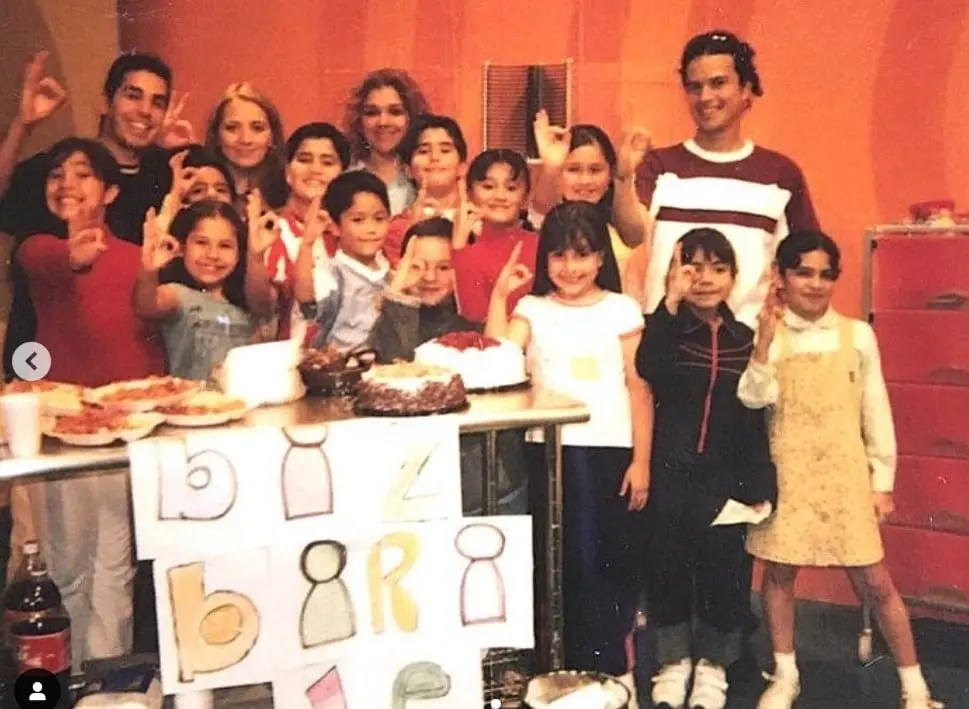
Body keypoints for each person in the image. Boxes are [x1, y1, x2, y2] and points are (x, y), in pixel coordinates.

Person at [738, 231, 942, 709]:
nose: (814, 283)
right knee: (780, 573)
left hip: (845, 476)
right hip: (788, 474)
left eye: (825, 273)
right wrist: (763, 346)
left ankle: (915, 686)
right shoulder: (768, 332)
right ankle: (786, 675)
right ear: (781, 277)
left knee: (875, 581)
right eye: (802, 272)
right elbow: (752, 398)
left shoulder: (858, 335)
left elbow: (876, 411)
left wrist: (882, 483)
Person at [15, 138, 166, 667]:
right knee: (68, 566)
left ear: (110, 190)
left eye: (83, 174)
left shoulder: (136, 259)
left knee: (116, 564)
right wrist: (74, 250)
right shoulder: (36, 252)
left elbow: (150, 337)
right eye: (58, 174)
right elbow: (60, 259)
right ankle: (71, 676)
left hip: (125, 432)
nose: (68, 184)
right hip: (64, 432)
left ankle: (110, 681)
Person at [485, 201, 651, 680]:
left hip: (611, 451)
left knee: (608, 559)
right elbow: (497, 362)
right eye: (558, 256)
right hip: (548, 451)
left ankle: (614, 671)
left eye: (582, 255)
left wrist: (641, 461)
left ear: (601, 257)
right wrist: (500, 299)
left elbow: (639, 391)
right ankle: (560, 671)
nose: (570, 268)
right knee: (558, 563)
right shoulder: (532, 308)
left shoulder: (621, 309)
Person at [637, 228, 776, 709]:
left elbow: (755, 414)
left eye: (717, 268)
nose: (704, 278)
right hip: (673, 471)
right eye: (692, 266)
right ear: (675, 273)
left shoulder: (744, 338)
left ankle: (714, 666)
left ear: (734, 278)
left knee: (725, 572)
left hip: (726, 475)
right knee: (669, 567)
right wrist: (668, 303)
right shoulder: (665, 330)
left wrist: (761, 481)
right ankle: (674, 663)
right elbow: (650, 367)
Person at [620, 30, 819, 328]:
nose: (705, 97)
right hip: (666, 351)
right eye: (694, 87)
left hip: (747, 353)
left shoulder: (780, 174)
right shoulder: (660, 165)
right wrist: (624, 175)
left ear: (746, 89)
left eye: (718, 83)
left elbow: (807, 265)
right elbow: (631, 235)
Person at [1, 52, 177, 379]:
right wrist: (22, 126)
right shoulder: (58, 171)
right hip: (39, 363)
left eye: (157, 102)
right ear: (105, 103)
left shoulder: (163, 177)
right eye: (132, 95)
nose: (144, 110)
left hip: (130, 379)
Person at [369, 217, 528, 515]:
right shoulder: (394, 315)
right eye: (417, 265)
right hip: (414, 488)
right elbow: (401, 373)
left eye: (444, 267)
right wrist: (399, 301)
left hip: (492, 483)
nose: (430, 276)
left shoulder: (480, 313)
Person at [135, 200, 271, 381]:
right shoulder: (178, 295)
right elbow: (146, 305)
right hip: (194, 405)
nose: (212, 255)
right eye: (201, 243)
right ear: (182, 247)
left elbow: (263, 304)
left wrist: (256, 257)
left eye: (225, 246)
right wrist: (149, 270)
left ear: (240, 253)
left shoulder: (249, 301)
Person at [265, 123, 351, 340]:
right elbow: (265, 308)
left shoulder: (352, 231)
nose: (315, 169)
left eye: (327, 162)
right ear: (287, 172)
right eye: (304, 159)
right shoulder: (271, 229)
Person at [530, 116, 636, 289]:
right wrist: (552, 166)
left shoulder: (619, 221)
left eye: (595, 170)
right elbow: (540, 210)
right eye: (573, 170)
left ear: (610, 173)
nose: (585, 180)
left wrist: (624, 176)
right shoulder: (550, 219)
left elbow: (635, 237)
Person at [294, 170, 392, 352]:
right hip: (341, 370)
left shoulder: (391, 273)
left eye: (379, 219)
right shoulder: (332, 273)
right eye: (358, 220)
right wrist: (307, 244)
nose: (371, 229)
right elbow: (307, 302)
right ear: (335, 226)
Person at [451, 148, 537, 323]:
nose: (500, 196)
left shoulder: (540, 244)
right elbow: (473, 316)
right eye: (488, 187)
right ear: (469, 193)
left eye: (511, 188)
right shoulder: (460, 249)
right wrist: (459, 245)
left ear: (526, 197)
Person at [382, 114, 470, 266]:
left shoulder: (480, 222)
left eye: (445, 150)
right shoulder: (395, 229)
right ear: (407, 169)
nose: (435, 157)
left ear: (462, 166)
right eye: (423, 151)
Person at [343, 68, 429, 215]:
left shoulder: (428, 174)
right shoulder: (344, 178)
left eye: (395, 112)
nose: (383, 122)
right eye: (372, 113)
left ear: (412, 118)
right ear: (359, 120)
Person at [205, 82, 287, 208]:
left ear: (273, 137)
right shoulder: (201, 193)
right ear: (216, 135)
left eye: (257, 128)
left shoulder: (289, 193)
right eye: (232, 128)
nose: (245, 139)